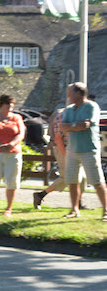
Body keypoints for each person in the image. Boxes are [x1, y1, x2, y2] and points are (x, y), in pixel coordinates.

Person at [59, 82, 107, 220]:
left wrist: (70, 126)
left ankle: (106, 211)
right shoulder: (68, 109)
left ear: (79, 93)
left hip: (89, 150)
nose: (68, 95)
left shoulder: (91, 106)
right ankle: (74, 210)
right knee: (72, 181)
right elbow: (62, 127)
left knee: (97, 181)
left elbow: (85, 125)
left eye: (70, 92)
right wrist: (74, 125)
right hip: (72, 150)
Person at [33, 103, 84, 210]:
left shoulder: (78, 113)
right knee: (66, 177)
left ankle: (78, 203)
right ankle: (41, 195)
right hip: (61, 148)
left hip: (73, 149)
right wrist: (65, 153)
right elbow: (58, 138)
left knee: (81, 177)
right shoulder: (62, 114)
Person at [0, 95, 25, 216]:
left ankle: (9, 208)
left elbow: (20, 134)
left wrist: (11, 144)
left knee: (11, 180)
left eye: (12, 106)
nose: (10, 108)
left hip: (13, 153)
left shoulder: (17, 118)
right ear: (1, 105)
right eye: (8, 106)